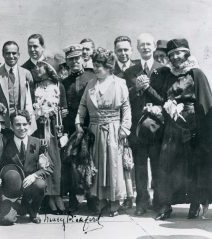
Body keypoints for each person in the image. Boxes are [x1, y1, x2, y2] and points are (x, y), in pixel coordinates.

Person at [154, 39, 212, 220]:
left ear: (186, 52)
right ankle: (165, 206)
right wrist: (168, 104)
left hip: (192, 126)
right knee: (167, 164)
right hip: (172, 126)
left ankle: (195, 204)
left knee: (193, 166)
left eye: (178, 53)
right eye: (171, 55)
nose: (175, 57)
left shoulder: (196, 73)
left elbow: (205, 101)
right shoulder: (169, 75)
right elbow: (163, 96)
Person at [75, 47, 132, 216]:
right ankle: (99, 201)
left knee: (113, 165)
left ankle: (114, 203)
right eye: (94, 64)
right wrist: (78, 122)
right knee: (96, 165)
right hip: (94, 130)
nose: (95, 68)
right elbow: (83, 106)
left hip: (113, 130)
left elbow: (126, 107)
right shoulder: (91, 84)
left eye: (99, 65)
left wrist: (125, 127)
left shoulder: (119, 83)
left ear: (108, 66)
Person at [123, 33, 164, 216]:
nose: (146, 47)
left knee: (157, 166)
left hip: (157, 128)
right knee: (139, 167)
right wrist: (137, 89)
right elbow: (125, 99)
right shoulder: (130, 71)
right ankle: (141, 202)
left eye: (149, 44)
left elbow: (165, 99)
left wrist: (148, 88)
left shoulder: (163, 70)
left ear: (154, 46)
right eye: (142, 45)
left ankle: (159, 201)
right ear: (137, 48)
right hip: (137, 129)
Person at [62, 44, 96, 211]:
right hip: (72, 129)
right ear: (67, 62)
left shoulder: (93, 77)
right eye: (71, 59)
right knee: (73, 165)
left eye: (77, 58)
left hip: (91, 127)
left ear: (83, 58)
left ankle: (92, 198)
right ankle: (74, 198)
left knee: (90, 162)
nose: (74, 61)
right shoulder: (64, 82)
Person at [31, 61, 67, 214]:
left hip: (54, 128)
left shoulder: (58, 86)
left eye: (40, 66)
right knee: (43, 160)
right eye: (36, 67)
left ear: (47, 68)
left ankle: (57, 195)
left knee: (56, 162)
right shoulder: (34, 87)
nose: (36, 69)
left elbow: (64, 107)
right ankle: (48, 198)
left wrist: (56, 113)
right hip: (39, 128)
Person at [5, 110, 54, 223]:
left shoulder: (37, 143)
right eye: (17, 124)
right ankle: (19, 208)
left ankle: (33, 211)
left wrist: (34, 175)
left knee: (40, 184)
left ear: (29, 124)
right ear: (12, 126)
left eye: (24, 124)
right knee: (7, 220)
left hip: (31, 188)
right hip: (13, 191)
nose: (22, 128)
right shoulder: (6, 143)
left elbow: (49, 167)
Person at [0, 41, 35, 131]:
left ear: (19, 54)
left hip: (23, 124)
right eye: (8, 53)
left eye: (14, 53)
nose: (11, 56)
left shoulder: (26, 73)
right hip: (5, 124)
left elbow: (32, 99)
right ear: (3, 54)